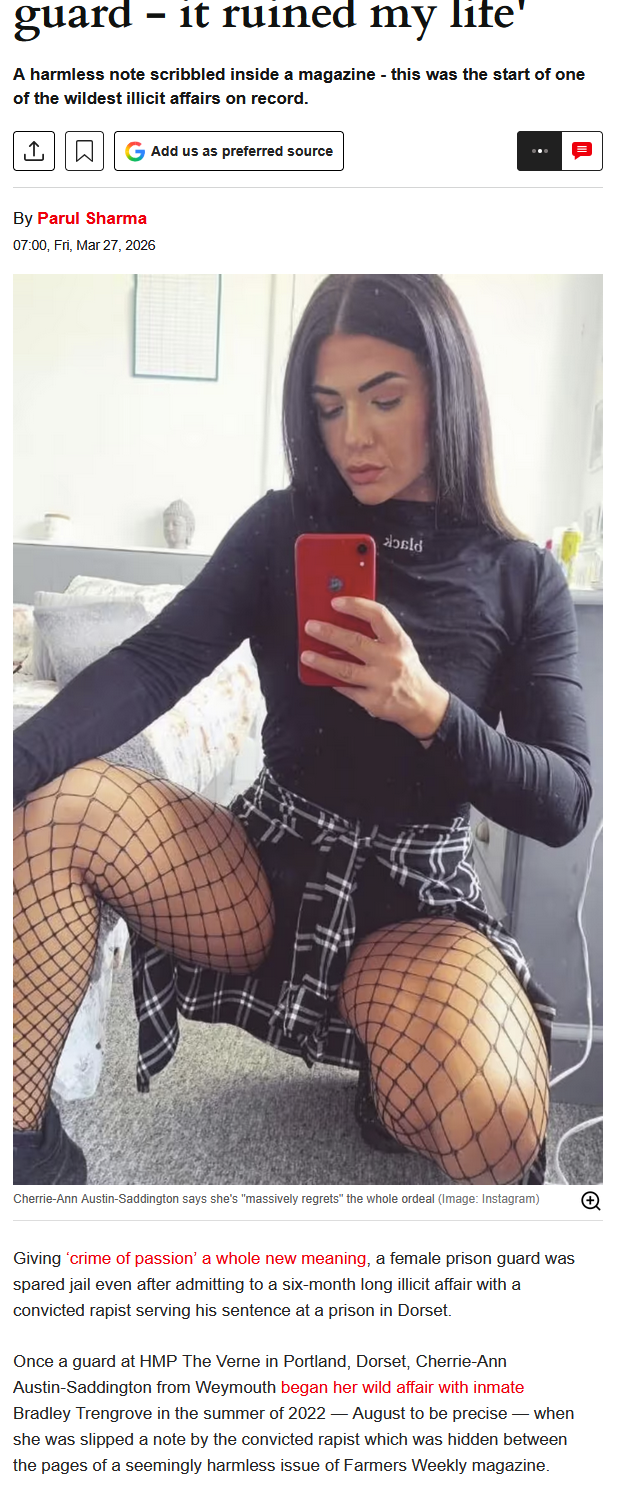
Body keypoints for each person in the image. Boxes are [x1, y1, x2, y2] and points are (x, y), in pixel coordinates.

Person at [13, 274, 592, 1188]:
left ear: (448, 390)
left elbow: (564, 800)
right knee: (59, 809)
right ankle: (26, 1146)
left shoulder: (523, 575)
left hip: (414, 902)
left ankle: (391, 1081)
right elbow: (157, 661)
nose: (352, 435)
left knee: (498, 1116)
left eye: (384, 399)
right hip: (265, 867)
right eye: (328, 407)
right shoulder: (284, 527)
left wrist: (430, 711)